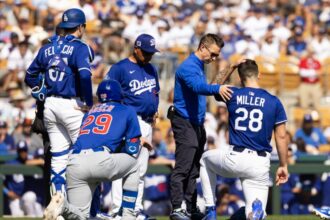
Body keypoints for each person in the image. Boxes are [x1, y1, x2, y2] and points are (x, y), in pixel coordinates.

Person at [200, 59, 289, 220]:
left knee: (204, 160)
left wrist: (231, 67)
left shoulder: (233, 93)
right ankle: (254, 212)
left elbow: (212, 87)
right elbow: (281, 136)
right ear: (259, 75)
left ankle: (211, 210)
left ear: (240, 78)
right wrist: (283, 165)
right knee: (256, 214)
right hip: (260, 163)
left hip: (235, 158)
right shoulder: (274, 101)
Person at [44, 79, 141, 220]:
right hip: (100, 159)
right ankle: (128, 216)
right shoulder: (127, 110)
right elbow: (132, 149)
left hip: (75, 162)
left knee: (80, 216)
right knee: (134, 165)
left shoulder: (90, 112)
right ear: (120, 95)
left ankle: (63, 207)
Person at [24, 8, 94, 196]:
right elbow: (85, 76)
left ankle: (59, 207)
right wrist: (89, 101)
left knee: (58, 157)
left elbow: (29, 76)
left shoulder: (47, 47)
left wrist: (40, 87)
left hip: (50, 106)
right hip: (72, 105)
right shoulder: (80, 47)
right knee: (86, 155)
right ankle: (87, 209)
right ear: (80, 27)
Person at [167, 33, 233, 220]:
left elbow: (211, 84)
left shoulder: (199, 66)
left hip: (196, 124)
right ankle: (177, 208)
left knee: (194, 169)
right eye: (212, 54)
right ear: (203, 47)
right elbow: (198, 87)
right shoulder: (188, 67)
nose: (213, 59)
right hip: (184, 122)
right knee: (183, 168)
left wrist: (231, 67)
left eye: (216, 56)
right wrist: (217, 89)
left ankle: (190, 207)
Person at [105, 33, 160, 219]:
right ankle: (117, 209)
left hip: (146, 122)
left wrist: (155, 108)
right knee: (122, 166)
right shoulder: (120, 68)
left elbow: (155, 92)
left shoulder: (152, 68)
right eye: (146, 52)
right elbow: (106, 92)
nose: (149, 55)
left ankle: (134, 210)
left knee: (141, 170)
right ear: (136, 49)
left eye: (151, 52)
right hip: (127, 121)